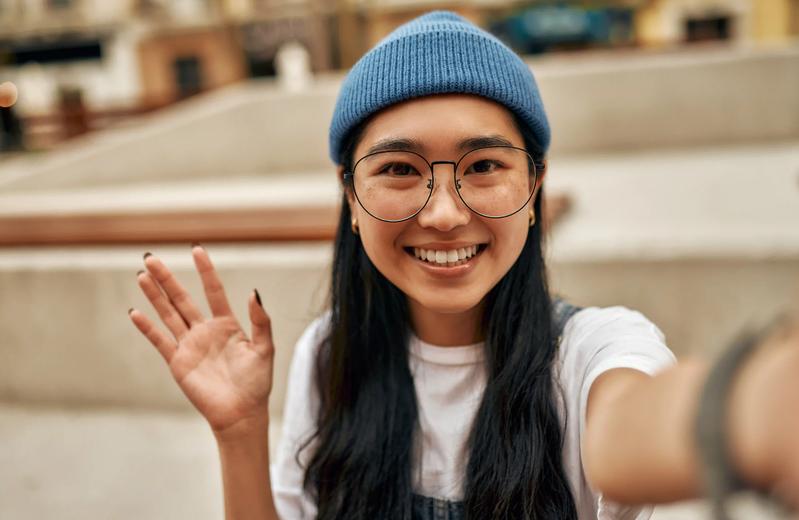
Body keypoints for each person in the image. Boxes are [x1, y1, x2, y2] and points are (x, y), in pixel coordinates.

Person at [128, 11, 799, 520]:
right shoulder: (329, 352)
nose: (444, 213)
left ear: (533, 189)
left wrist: (751, 406)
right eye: (398, 169)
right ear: (350, 199)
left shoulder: (591, 352)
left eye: (483, 166)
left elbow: (626, 433)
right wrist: (239, 431)